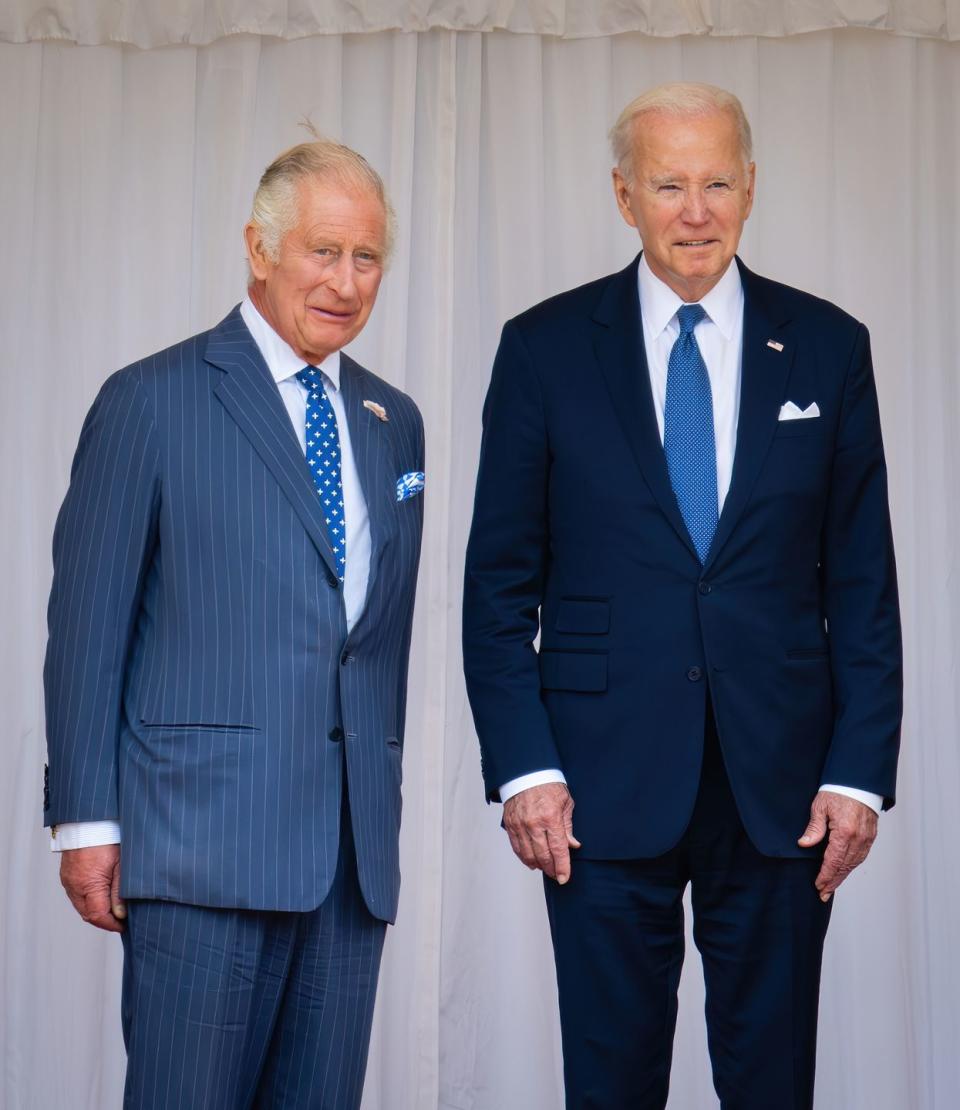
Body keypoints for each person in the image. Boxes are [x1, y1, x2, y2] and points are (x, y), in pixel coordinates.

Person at [462, 82, 901, 1109]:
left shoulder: (831, 347)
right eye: (668, 184)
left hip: (787, 788)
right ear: (625, 196)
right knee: (610, 1087)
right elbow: (497, 586)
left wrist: (859, 775)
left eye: (715, 182)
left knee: (772, 1084)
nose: (694, 210)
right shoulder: (544, 348)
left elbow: (865, 584)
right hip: (595, 788)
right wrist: (525, 768)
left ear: (749, 188)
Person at [44, 138, 425, 1109]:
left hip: (348, 864)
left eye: (367, 257)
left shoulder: (394, 421)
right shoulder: (151, 401)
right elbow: (87, 622)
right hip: (200, 847)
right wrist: (87, 819)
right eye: (323, 252)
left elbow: (375, 641)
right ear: (260, 249)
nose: (346, 281)